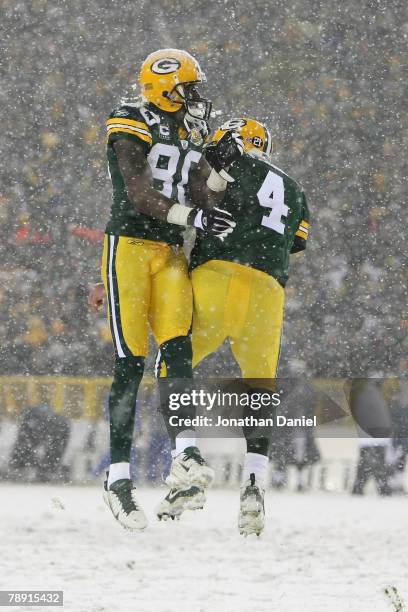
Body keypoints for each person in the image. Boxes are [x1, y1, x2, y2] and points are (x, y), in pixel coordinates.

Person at [89, 49, 242, 531]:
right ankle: (117, 479)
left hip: (171, 250)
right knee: (130, 361)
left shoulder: (189, 129)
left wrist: (219, 170)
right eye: (186, 87)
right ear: (161, 86)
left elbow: (201, 196)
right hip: (130, 246)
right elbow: (137, 191)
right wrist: (195, 216)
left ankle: (184, 450)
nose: (194, 96)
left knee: (178, 350)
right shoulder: (129, 118)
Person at [189, 117, 310, 535]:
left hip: (219, 274)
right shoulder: (294, 188)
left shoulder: (221, 165)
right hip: (268, 288)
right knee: (260, 386)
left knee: (174, 360)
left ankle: (184, 458)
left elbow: (197, 202)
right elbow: (296, 242)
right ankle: (255, 476)